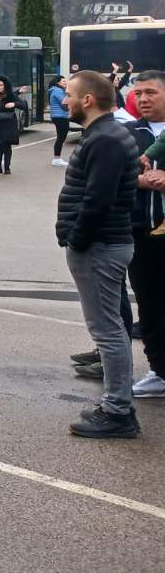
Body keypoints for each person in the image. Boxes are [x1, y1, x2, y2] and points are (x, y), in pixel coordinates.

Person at [55, 71, 140, 438]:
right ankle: (115, 404)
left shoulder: (104, 138)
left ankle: (119, 412)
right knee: (110, 328)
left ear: (88, 100)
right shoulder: (106, 133)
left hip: (100, 246)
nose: (64, 100)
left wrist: (77, 239)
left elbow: (98, 199)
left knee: (107, 331)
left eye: (69, 94)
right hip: (104, 244)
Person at [121, 74, 165, 399]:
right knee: (150, 305)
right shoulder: (126, 133)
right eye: (138, 93)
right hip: (141, 233)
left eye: (151, 92)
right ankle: (160, 371)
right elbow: (114, 175)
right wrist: (140, 181)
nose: (143, 98)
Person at [0, 75, 23, 175]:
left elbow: (23, 104)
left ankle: (7, 167)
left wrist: (14, 104)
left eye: (1, 85)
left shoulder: (11, 96)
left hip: (8, 124)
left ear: (5, 86)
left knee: (6, 146)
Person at [49, 74, 71, 167]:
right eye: (63, 82)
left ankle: (57, 158)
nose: (66, 83)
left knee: (61, 137)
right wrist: (69, 95)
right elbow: (65, 105)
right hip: (60, 116)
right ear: (58, 83)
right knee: (61, 138)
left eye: (66, 81)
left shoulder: (56, 90)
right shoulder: (58, 91)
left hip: (59, 116)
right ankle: (56, 159)